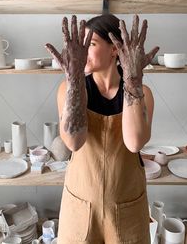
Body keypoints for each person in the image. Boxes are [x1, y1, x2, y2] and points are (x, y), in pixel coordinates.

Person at [45, 14, 159, 244]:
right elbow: (73, 142)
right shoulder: (68, 88)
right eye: (80, 45)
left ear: (115, 49)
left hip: (126, 207)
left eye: (91, 44)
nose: (82, 50)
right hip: (81, 206)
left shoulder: (142, 93)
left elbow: (134, 142)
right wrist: (76, 78)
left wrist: (133, 81)